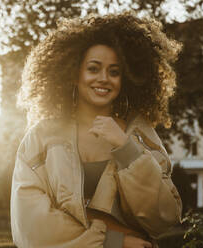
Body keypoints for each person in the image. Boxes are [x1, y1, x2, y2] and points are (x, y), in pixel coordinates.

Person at [11, 12, 182, 248]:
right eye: (93, 69)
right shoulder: (41, 138)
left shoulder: (140, 136)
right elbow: (31, 227)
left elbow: (164, 218)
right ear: (73, 74)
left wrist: (126, 149)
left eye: (114, 72)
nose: (104, 79)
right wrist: (113, 241)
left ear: (125, 80)